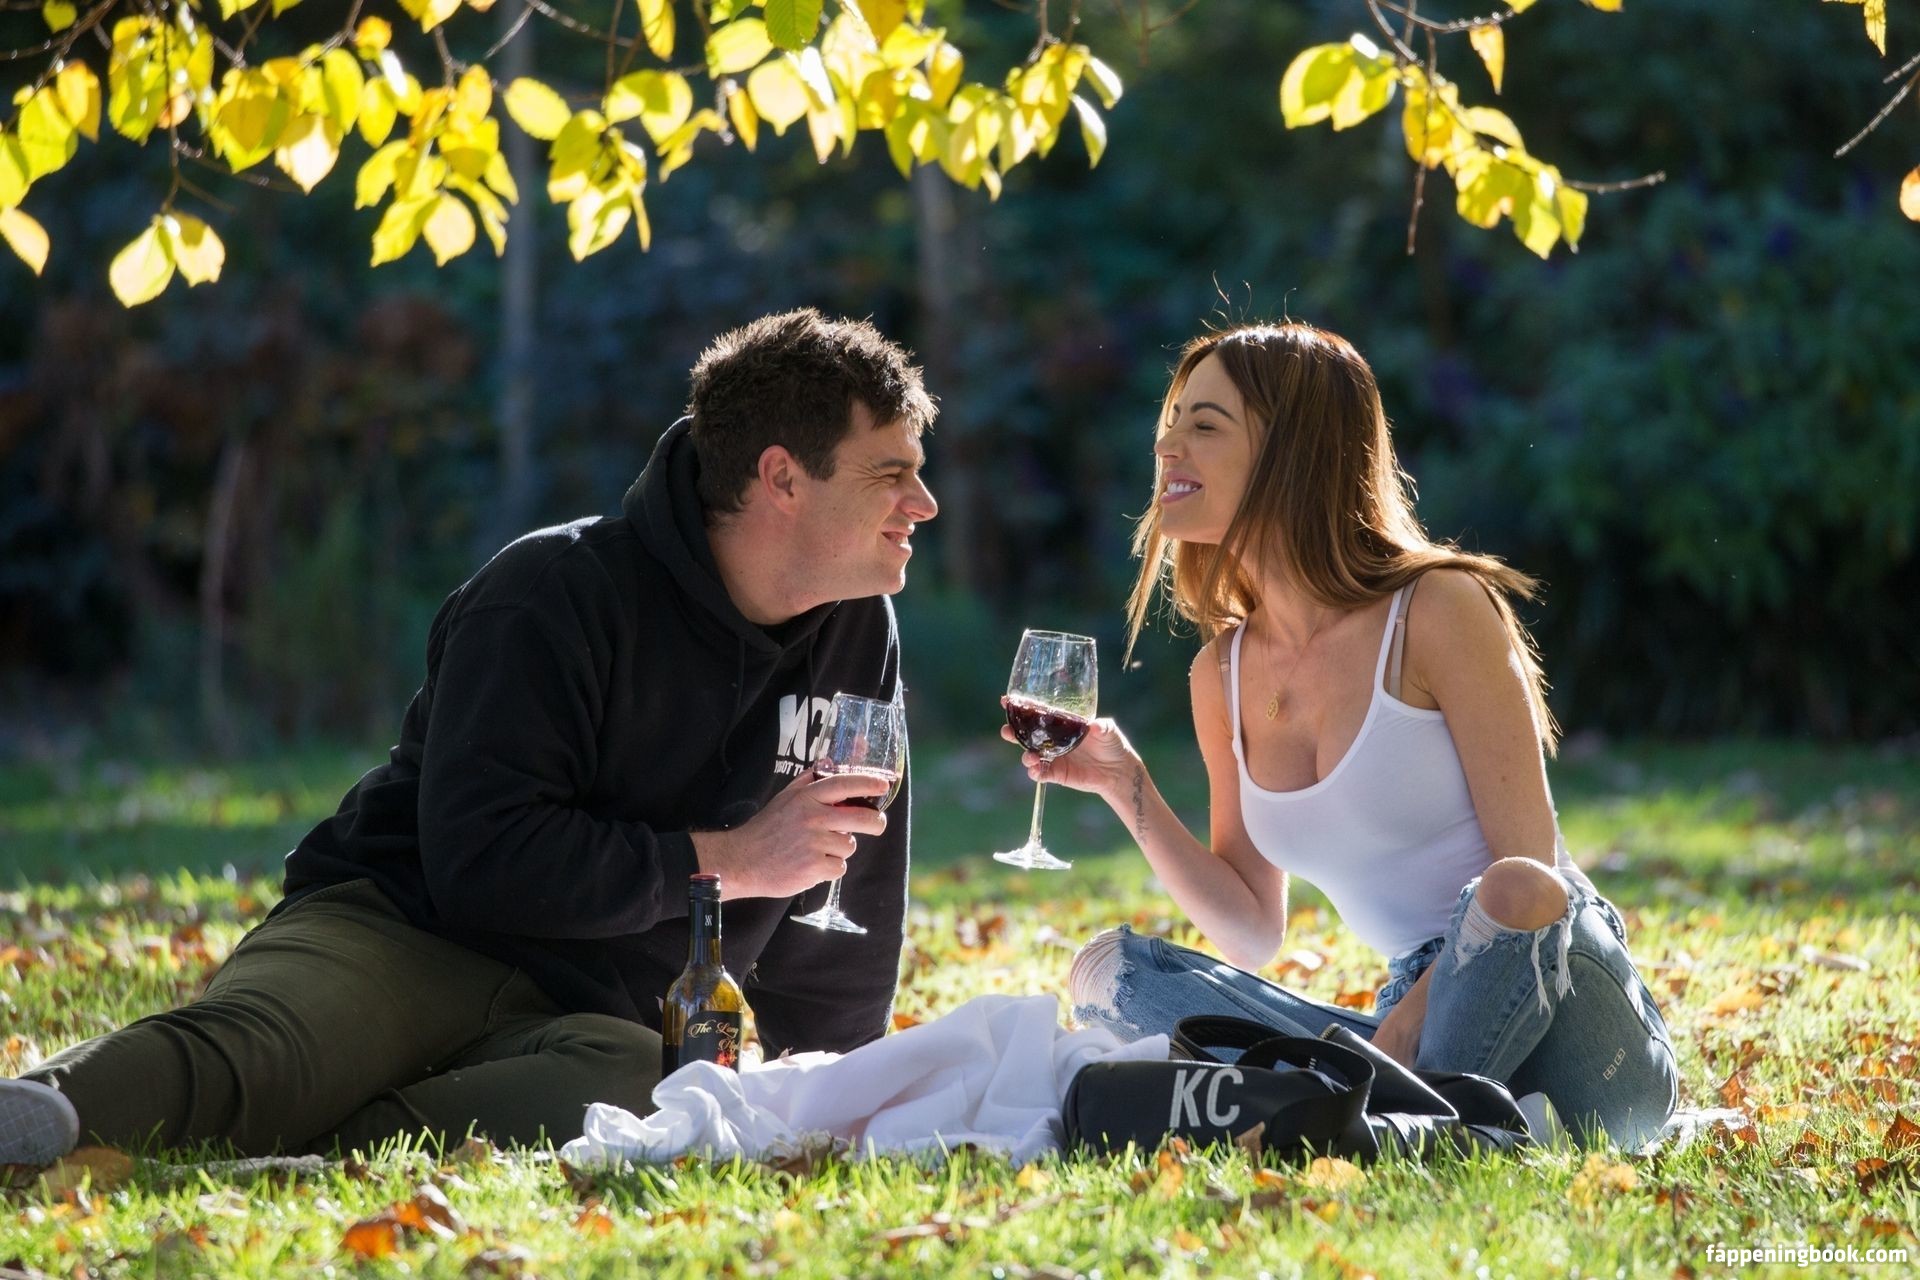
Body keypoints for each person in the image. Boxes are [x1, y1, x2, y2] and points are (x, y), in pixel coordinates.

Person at [0, 308, 939, 1165]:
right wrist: (724, 861)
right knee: (264, 1054)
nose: (922, 503)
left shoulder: (859, 631)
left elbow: (843, 902)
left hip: (588, 1016)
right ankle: (40, 1118)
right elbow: (481, 859)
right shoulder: (552, 594)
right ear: (782, 477)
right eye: (890, 473)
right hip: (405, 931)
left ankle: (309, 1156)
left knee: (659, 1097)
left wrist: (836, 1090)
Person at [1008, 322, 1677, 1149]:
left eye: (1205, 425)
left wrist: (1399, 1036)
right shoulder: (1221, 673)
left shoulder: (1438, 609)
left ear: (1295, 453)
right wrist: (1126, 785)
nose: (1167, 445)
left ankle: (1365, 1112)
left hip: (1564, 1001)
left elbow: (1539, 881)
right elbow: (1251, 929)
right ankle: (1425, 1125)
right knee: (1112, 973)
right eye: (1171, 421)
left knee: (1509, 890)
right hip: (1414, 1026)